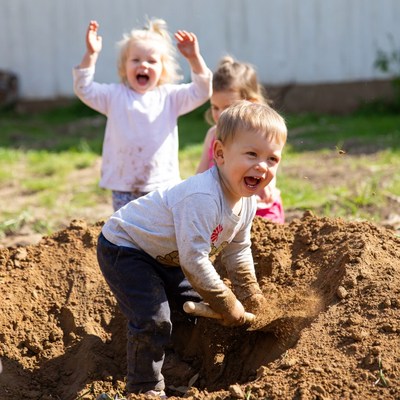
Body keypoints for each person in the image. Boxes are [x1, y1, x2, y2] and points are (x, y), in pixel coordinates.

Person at [97, 100, 287, 398]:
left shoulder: (248, 202)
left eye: (272, 159)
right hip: (127, 247)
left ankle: (177, 363)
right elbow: (194, 261)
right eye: (251, 154)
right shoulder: (203, 198)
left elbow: (238, 250)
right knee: (153, 317)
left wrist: (251, 296)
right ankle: (145, 387)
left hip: (168, 256)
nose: (262, 166)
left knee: (193, 311)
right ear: (220, 154)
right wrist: (227, 303)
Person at [73, 19, 212, 211]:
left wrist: (194, 58)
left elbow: (202, 91)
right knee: (127, 230)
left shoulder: (170, 97)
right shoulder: (114, 96)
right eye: (135, 60)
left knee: (159, 228)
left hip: (161, 183)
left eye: (152, 61)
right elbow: (84, 89)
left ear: (163, 68)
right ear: (124, 66)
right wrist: (91, 54)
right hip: (124, 185)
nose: (143, 65)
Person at [196, 56, 285, 224]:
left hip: (258, 206)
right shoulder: (212, 134)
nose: (220, 114)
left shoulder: (260, 134)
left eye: (228, 107)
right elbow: (201, 171)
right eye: (215, 107)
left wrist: (268, 187)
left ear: (251, 103)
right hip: (222, 206)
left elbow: (269, 164)